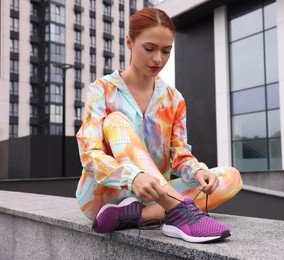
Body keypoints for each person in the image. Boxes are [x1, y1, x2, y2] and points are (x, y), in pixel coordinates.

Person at [75, 7, 242, 243]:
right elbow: (90, 155)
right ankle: (177, 212)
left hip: (151, 196)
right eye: (149, 48)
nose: (158, 59)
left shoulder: (174, 99)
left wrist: (198, 172)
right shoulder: (102, 90)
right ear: (130, 42)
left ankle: (142, 216)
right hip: (104, 197)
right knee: (116, 121)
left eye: (166, 51)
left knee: (230, 177)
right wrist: (133, 177)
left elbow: (180, 156)